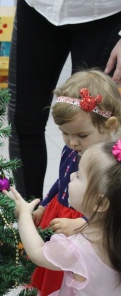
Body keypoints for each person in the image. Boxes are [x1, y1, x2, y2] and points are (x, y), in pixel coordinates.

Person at [8, 0, 121, 200]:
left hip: (105, 12)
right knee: (23, 120)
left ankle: (90, 224)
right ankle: (29, 219)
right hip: (38, 5)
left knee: (91, 126)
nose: (71, 142)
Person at [28, 69, 121, 295]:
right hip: (61, 216)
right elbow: (62, 181)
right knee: (55, 275)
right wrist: (45, 205)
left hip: (88, 231)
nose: (71, 142)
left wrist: (83, 225)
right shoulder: (71, 149)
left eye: (81, 135)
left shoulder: (111, 165)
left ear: (109, 126)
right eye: (64, 133)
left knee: (73, 277)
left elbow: (114, 211)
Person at [3, 137, 121, 295]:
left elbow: (37, 252)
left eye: (79, 175)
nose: (71, 176)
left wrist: (24, 215)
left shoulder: (79, 248)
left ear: (99, 203)